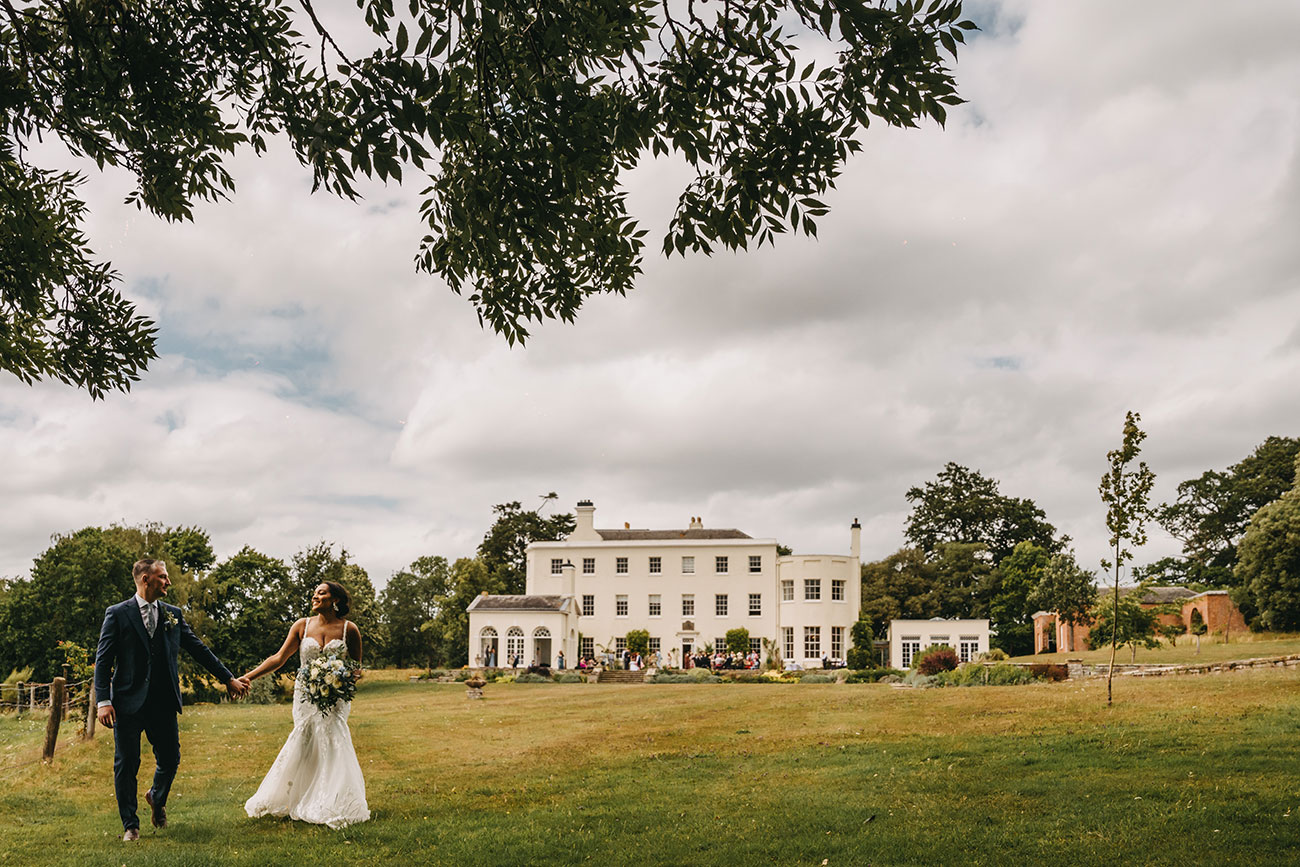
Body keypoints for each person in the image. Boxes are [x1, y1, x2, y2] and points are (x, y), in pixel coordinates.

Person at [94, 558, 249, 842]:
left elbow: (198, 649)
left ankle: (156, 796)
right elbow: (103, 661)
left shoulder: (173, 614)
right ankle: (131, 825)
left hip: (163, 701)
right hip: (127, 702)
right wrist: (103, 700)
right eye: (163, 577)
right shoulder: (117, 614)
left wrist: (227, 677)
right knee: (126, 763)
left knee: (170, 758)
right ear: (145, 579)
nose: (168, 582)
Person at [242, 581, 370, 829]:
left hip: (336, 696)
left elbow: (357, 668)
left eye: (321, 592)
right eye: (314, 592)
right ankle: (297, 796)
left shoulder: (349, 630)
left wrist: (340, 680)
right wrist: (248, 677)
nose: (315, 595)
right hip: (305, 695)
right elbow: (279, 658)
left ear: (335, 600)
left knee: (333, 738)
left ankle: (333, 800)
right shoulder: (302, 625)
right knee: (305, 738)